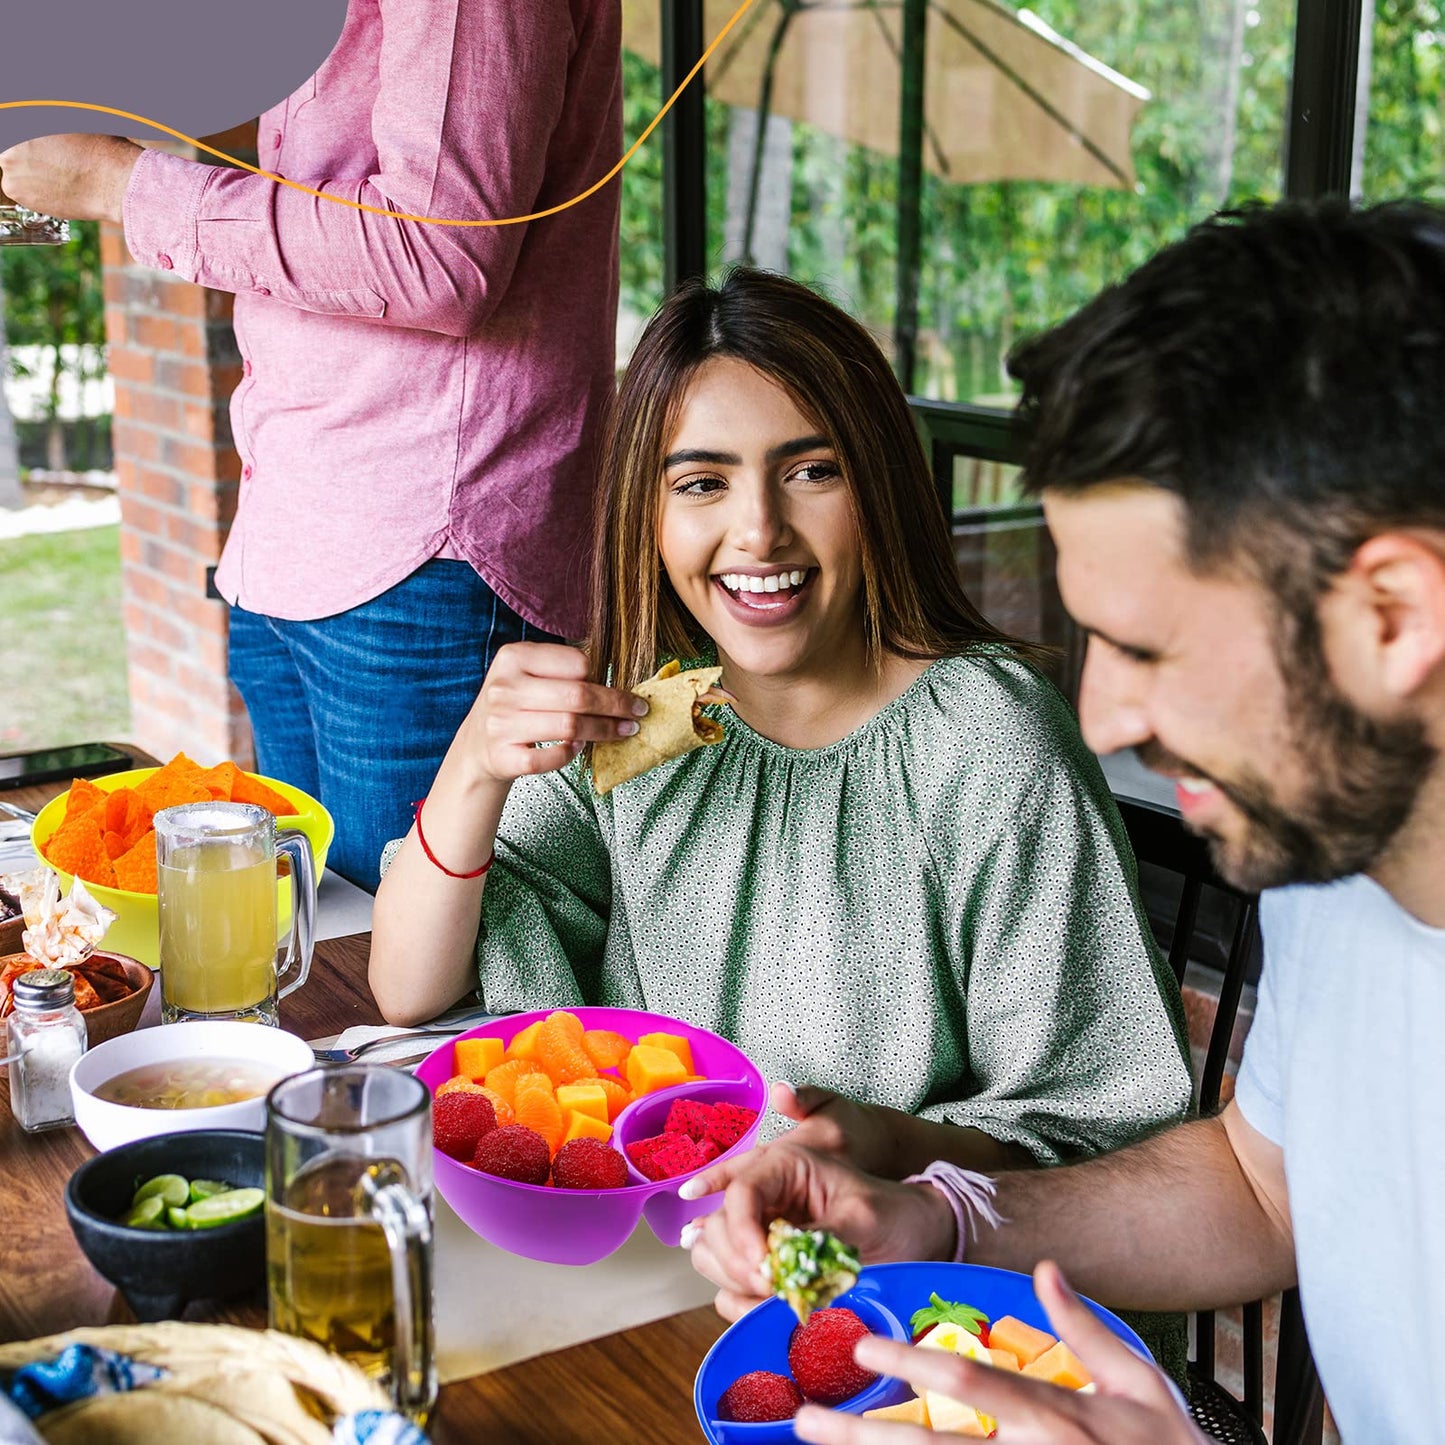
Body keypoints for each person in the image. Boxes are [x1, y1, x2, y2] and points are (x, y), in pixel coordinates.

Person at [685, 201, 1445, 1444]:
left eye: (1147, 647)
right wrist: (942, 1214)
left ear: (1391, 616)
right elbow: (1261, 1186)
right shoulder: (1337, 855)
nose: (1097, 719)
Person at [372, 265, 1192, 1197]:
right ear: (648, 511)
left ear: (878, 485)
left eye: (811, 471)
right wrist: (475, 766)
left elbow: (1093, 1136)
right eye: (702, 482)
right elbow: (407, 987)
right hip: (661, 1249)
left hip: (887, 1287)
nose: (758, 530)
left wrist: (879, 1150)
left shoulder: (988, 747)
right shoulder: (641, 720)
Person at [0, 0, 622, 890]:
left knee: (415, 982)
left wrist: (119, 185)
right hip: (294, 528)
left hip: (422, 552)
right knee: (315, 943)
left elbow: (438, 258)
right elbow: (330, 176)